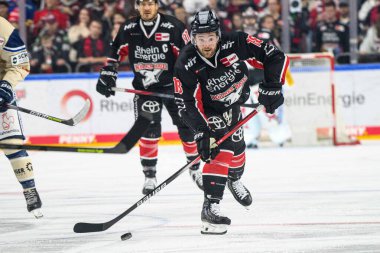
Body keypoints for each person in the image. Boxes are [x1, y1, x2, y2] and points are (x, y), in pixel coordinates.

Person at [173, 10, 288, 234]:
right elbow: (185, 104)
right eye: (201, 39)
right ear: (193, 38)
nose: (206, 44)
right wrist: (201, 132)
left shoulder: (236, 41)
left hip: (235, 102)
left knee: (238, 150)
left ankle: (234, 179)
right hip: (210, 111)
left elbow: (275, 55)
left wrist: (272, 87)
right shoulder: (185, 63)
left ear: (218, 35)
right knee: (220, 148)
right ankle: (210, 207)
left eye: (210, 38)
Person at [96, 0, 203, 194]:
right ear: (137, 6)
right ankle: (150, 175)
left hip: (173, 88)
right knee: (148, 132)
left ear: (157, 5)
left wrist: (190, 83)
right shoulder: (128, 28)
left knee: (187, 128)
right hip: (145, 90)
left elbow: (190, 57)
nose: (147, 8)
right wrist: (108, 74)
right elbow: (115, 53)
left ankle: (195, 169)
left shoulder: (174, 26)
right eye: (143, 3)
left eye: (151, 3)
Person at [0, 16, 43, 218]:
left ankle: (29, 189)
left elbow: (21, 63)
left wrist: (6, 86)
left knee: (13, 145)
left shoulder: (2, 28)